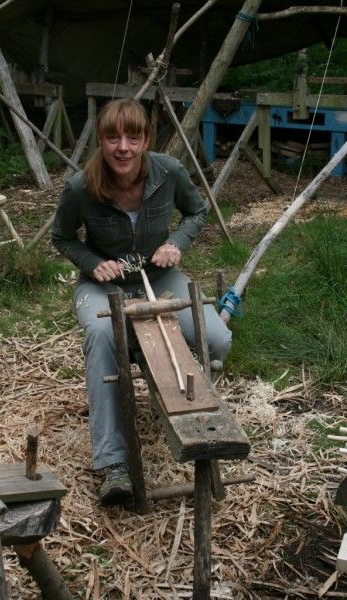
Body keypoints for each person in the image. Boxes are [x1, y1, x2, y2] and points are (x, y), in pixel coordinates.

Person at [51, 98, 231, 506]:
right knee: (101, 335)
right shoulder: (80, 187)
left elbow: (196, 212)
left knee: (216, 340)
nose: (123, 148)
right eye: (113, 138)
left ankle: (195, 416)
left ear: (146, 140)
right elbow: (61, 237)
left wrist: (175, 243)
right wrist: (93, 263)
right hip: (106, 287)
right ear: (101, 141)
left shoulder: (168, 172)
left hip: (160, 277)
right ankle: (114, 463)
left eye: (133, 137)